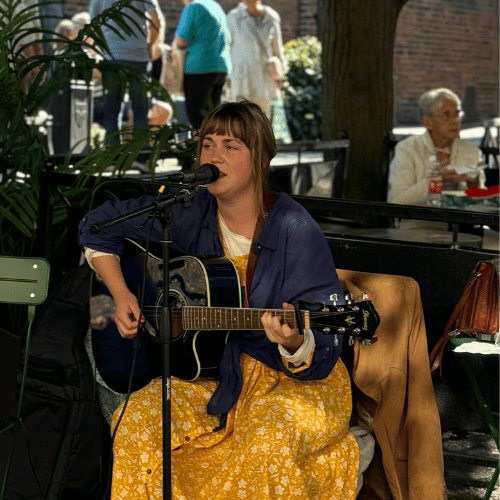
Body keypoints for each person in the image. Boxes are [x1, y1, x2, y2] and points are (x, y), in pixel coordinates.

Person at [78, 101, 359, 499]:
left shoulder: (294, 227)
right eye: (208, 144)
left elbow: (326, 341)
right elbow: (97, 227)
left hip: (289, 382)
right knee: (136, 420)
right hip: (211, 375)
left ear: (259, 158)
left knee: (266, 441)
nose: (214, 157)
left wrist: (294, 340)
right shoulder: (187, 209)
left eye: (231, 147)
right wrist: (123, 294)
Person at [387, 87, 482, 206]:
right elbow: (396, 200)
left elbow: (479, 205)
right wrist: (437, 180)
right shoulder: (408, 149)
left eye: (457, 114)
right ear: (428, 122)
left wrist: (475, 187)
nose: (455, 121)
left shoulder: (471, 151)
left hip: (461, 223)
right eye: (446, 115)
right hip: (421, 223)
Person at [88, 0, 165, 144]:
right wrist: (150, 45)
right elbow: (156, 21)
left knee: (112, 106)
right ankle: (141, 153)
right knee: (141, 107)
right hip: (139, 58)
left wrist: (102, 49)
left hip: (112, 58)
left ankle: (112, 153)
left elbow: (93, 27)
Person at [174, 0, 231, 129]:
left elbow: (181, 40)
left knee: (197, 119)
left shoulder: (193, 7)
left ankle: (200, 148)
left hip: (199, 67)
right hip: (220, 67)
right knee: (214, 118)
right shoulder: (215, 6)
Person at [226, 0, 288, 119]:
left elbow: (277, 48)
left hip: (264, 77)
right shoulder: (233, 17)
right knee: (241, 119)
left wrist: (280, 72)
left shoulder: (271, 17)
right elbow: (226, 47)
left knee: (263, 119)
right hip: (241, 78)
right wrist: (227, 75)